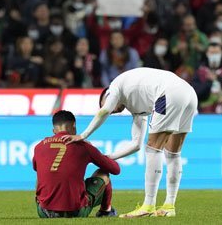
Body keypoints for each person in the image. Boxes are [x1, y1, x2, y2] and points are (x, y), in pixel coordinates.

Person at [63, 67, 198, 218]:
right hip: (188, 93)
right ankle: (169, 206)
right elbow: (136, 144)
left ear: (106, 95)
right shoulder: (137, 106)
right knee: (173, 154)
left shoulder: (114, 87)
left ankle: (148, 205)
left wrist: (83, 135)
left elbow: (105, 110)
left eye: (104, 103)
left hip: (168, 93)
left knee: (153, 150)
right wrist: (107, 158)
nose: (112, 111)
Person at [33, 110, 120, 218]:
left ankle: (45, 206)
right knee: (103, 173)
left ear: (54, 130)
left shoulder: (39, 146)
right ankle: (106, 212)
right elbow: (116, 169)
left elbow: (38, 169)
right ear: (74, 126)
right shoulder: (83, 146)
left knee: (40, 175)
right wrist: (96, 152)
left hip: (44, 212)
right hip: (75, 211)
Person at [192, 42, 222, 113]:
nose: (214, 55)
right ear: (207, 53)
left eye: (217, 53)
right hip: (205, 113)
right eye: (212, 53)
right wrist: (208, 82)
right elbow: (195, 94)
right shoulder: (200, 72)